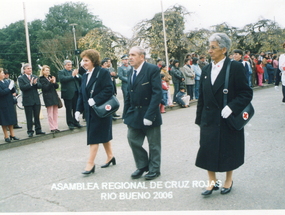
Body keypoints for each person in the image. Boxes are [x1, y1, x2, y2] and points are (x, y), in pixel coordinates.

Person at [195, 33, 253, 196]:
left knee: (229, 149)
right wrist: (199, 118)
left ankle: (228, 179)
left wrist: (232, 107)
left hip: (227, 118)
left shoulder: (235, 67)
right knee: (207, 149)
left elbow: (246, 93)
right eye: (209, 47)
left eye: (213, 47)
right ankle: (212, 181)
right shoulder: (206, 69)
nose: (209, 51)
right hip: (209, 118)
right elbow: (202, 97)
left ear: (224, 49)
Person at [123, 46, 162, 180]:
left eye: (133, 55)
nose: (130, 58)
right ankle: (142, 165)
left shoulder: (152, 69)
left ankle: (154, 169)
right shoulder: (130, 72)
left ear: (142, 57)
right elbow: (128, 94)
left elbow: (157, 93)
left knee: (153, 144)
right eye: (129, 55)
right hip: (134, 113)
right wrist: (125, 114)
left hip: (149, 112)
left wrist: (150, 115)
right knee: (132, 139)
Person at [75, 49, 116, 175]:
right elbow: (82, 94)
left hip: (101, 110)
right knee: (103, 135)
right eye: (83, 60)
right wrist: (78, 110)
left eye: (86, 60)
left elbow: (109, 89)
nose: (83, 63)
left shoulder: (103, 72)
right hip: (89, 112)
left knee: (93, 137)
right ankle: (110, 156)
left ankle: (90, 164)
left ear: (93, 61)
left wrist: (95, 100)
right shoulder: (85, 75)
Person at [18, 64, 45, 137]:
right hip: (27, 100)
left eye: (30, 68)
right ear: (24, 70)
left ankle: (38, 129)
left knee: (37, 116)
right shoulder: (21, 78)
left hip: (35, 99)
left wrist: (35, 83)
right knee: (29, 117)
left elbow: (40, 86)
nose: (30, 70)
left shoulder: (35, 77)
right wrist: (30, 84)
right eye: (28, 68)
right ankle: (30, 131)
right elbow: (22, 88)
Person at [58, 60, 82, 130]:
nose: (70, 66)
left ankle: (76, 121)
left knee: (76, 108)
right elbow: (62, 79)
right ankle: (70, 123)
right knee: (69, 109)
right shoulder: (61, 72)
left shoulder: (73, 72)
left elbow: (81, 78)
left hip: (76, 93)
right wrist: (72, 76)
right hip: (67, 93)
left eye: (71, 65)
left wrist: (76, 75)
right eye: (68, 65)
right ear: (65, 65)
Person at [0, 68, 19, 143]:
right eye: (2, 73)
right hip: (2, 104)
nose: (3, 74)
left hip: (9, 102)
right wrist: (9, 88)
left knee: (11, 119)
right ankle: (6, 135)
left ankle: (12, 134)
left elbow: (13, 91)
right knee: (4, 120)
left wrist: (13, 89)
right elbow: (2, 92)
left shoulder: (6, 81)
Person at [39, 65, 60, 133]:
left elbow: (56, 86)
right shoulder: (41, 79)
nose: (47, 72)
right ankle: (52, 127)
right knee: (50, 113)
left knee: (55, 113)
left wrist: (54, 82)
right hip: (48, 97)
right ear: (43, 71)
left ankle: (56, 126)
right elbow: (45, 88)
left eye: (48, 70)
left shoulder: (50, 77)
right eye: (46, 70)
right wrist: (50, 83)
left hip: (54, 96)